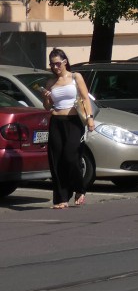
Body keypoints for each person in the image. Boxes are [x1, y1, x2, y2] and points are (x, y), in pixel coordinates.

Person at [40, 49, 95, 209]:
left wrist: (90, 119)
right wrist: (46, 98)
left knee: (71, 156)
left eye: (58, 63)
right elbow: (47, 106)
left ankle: (80, 188)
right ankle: (61, 199)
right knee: (56, 160)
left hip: (74, 121)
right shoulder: (50, 82)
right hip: (57, 121)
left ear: (65, 62)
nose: (55, 67)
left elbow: (85, 99)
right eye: (52, 64)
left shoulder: (75, 77)